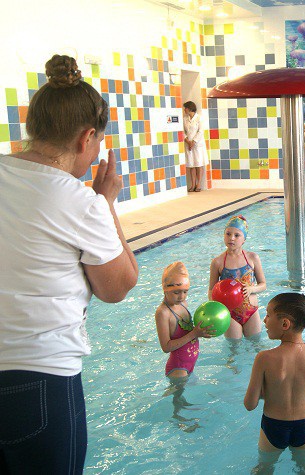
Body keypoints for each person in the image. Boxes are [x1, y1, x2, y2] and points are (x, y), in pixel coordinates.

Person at [0, 54, 138, 474]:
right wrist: (105, 203)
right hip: (38, 381)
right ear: (86, 137)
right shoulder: (78, 201)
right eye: (97, 144)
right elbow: (118, 286)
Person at [244, 293, 305, 473]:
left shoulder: (264, 358)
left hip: (273, 425)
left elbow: (249, 404)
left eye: (268, 315)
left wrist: (267, 392)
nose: (264, 320)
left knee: (265, 467)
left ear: (285, 324)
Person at [154, 262, 214, 425]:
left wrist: (200, 332)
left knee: (182, 397)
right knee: (176, 398)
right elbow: (166, 347)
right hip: (178, 367)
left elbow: (188, 331)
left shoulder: (183, 305)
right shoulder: (163, 313)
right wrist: (194, 334)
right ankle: (176, 420)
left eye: (185, 292)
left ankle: (182, 414)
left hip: (190, 363)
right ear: (165, 288)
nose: (181, 296)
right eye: (176, 292)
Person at [208, 215, 266, 339]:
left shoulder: (252, 258)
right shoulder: (217, 262)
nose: (231, 238)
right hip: (230, 313)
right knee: (234, 346)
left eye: (237, 235)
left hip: (251, 310)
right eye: (228, 234)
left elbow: (263, 284)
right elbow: (211, 290)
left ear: (244, 239)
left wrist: (251, 289)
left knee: (256, 342)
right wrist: (215, 310)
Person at [182, 101, 207, 192]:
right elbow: (182, 131)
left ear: (189, 108)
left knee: (198, 164)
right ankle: (192, 185)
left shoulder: (199, 118)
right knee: (191, 165)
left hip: (197, 144)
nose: (184, 110)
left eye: (185, 108)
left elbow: (200, 131)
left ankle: (198, 184)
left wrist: (193, 142)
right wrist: (188, 141)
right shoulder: (185, 119)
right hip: (188, 144)